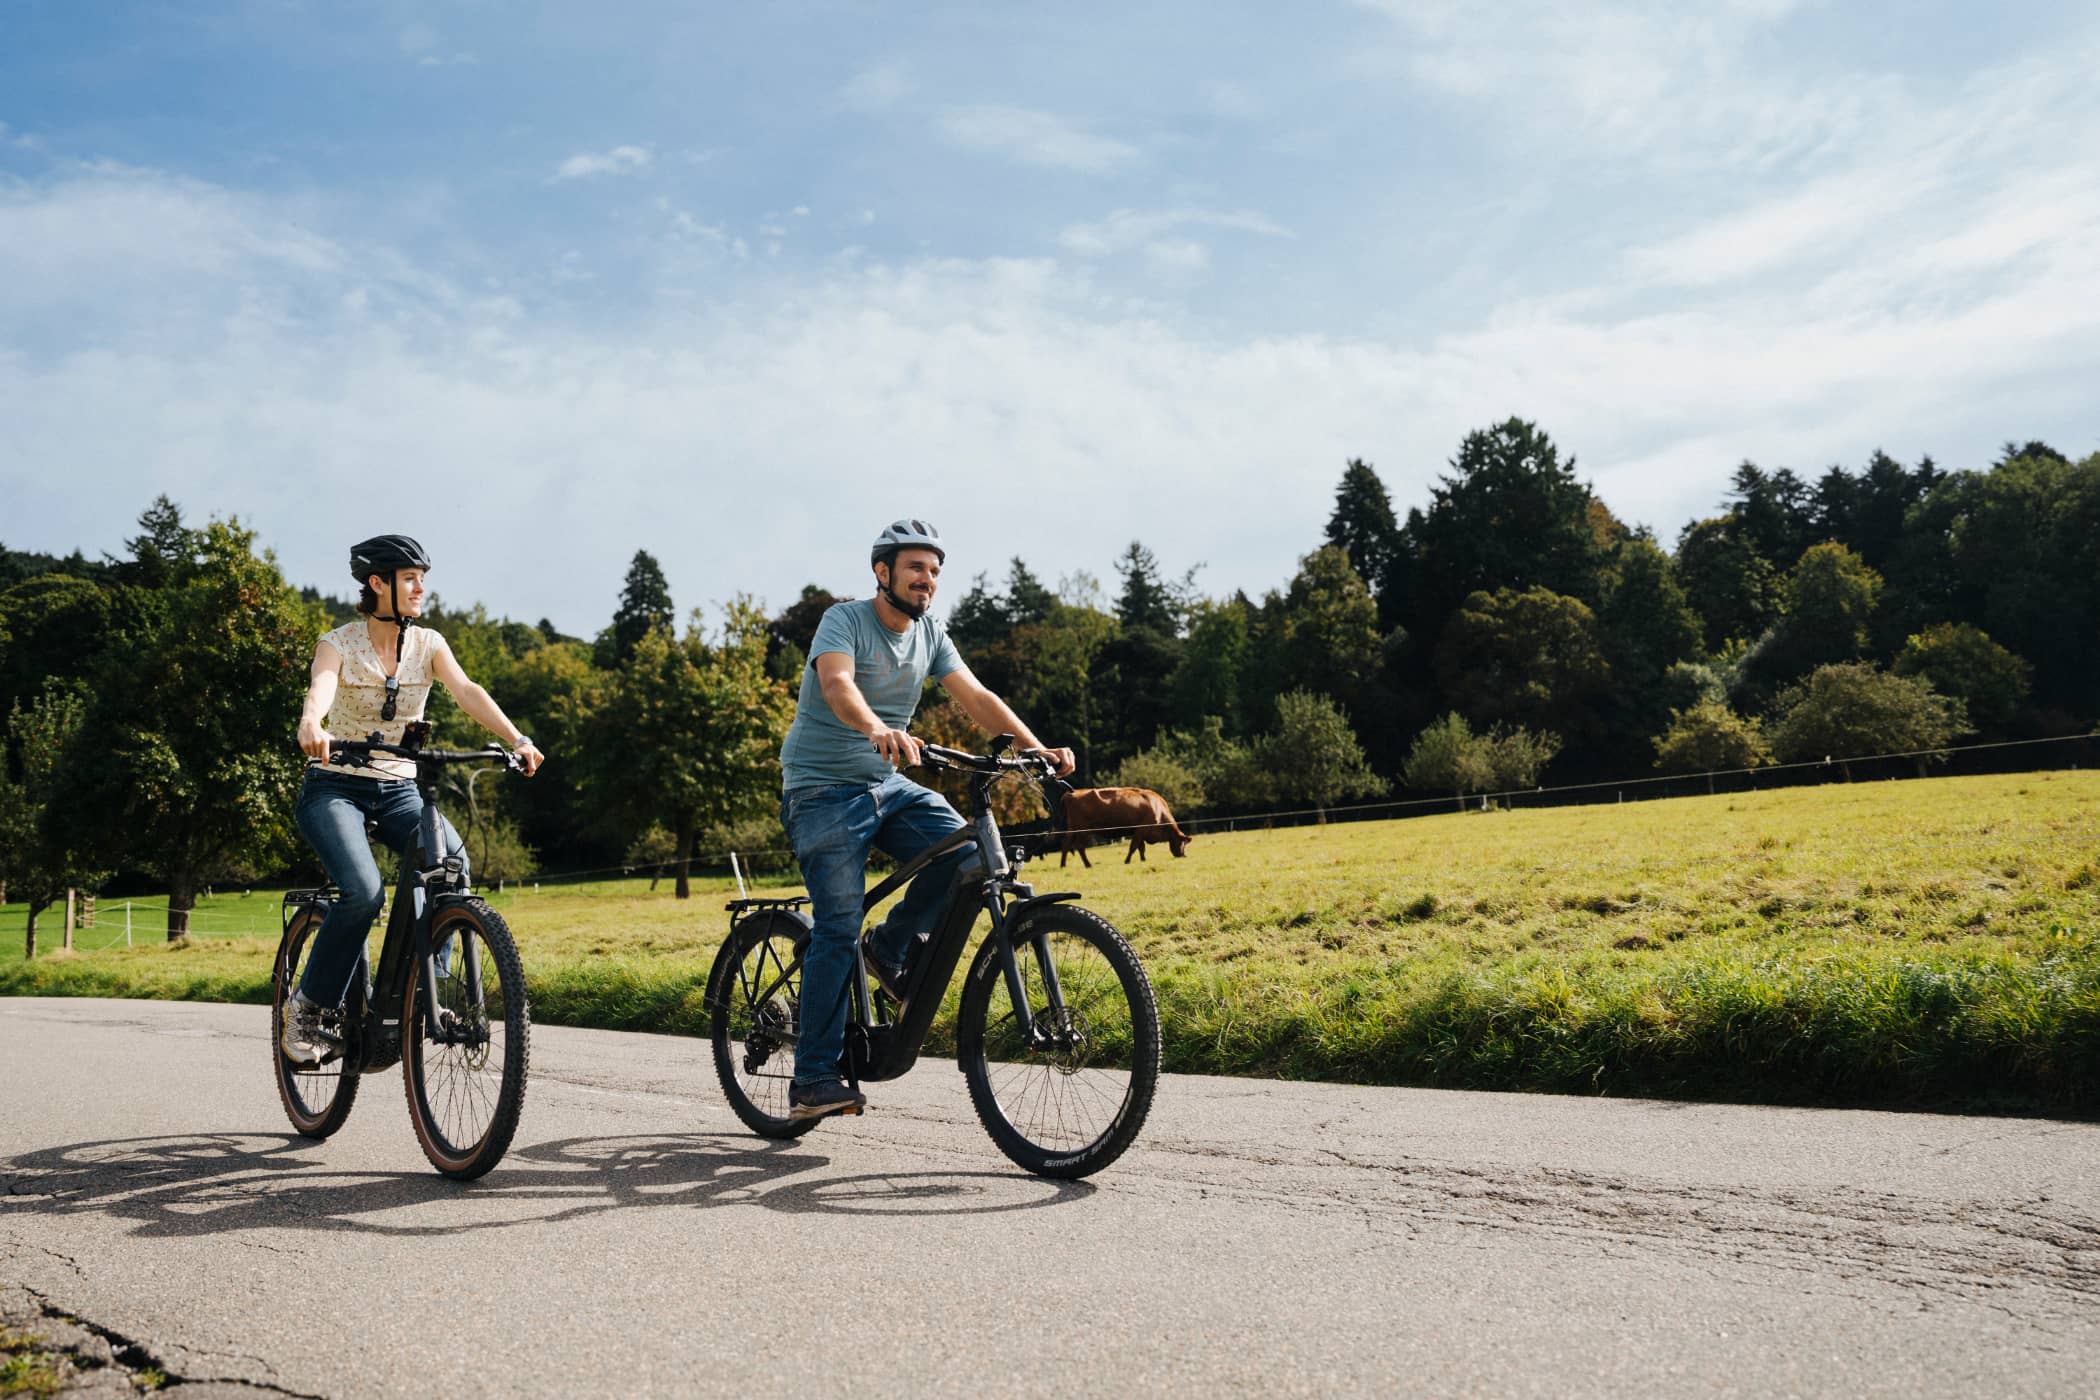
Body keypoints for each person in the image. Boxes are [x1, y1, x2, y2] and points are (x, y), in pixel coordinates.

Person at [777, 518, 1076, 1120]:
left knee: (969, 855)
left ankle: (888, 949)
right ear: (883, 572)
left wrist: (1034, 748)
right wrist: (876, 729)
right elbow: (837, 685)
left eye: (935, 571)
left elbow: (978, 698)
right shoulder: (844, 621)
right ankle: (811, 1078)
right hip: (821, 790)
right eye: (916, 567)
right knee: (838, 924)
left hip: (886, 784)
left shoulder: (931, 634)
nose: (928, 580)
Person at [281, 534, 545, 1063]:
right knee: (362, 890)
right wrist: (311, 721)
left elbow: (467, 690)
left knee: (450, 862)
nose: (421, 586)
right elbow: (322, 686)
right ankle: (307, 1008)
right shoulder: (339, 642)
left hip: (398, 787)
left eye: (422, 576)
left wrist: (517, 739)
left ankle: (428, 991)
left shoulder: (429, 644)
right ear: (378, 584)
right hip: (335, 786)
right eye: (409, 578)